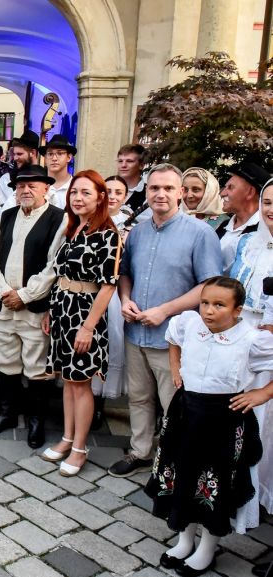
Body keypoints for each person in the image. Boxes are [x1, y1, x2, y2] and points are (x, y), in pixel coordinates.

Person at [145, 277, 273, 575]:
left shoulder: (251, 339)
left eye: (219, 305)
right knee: (183, 475)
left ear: (237, 310)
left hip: (222, 419)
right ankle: (184, 539)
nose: (209, 310)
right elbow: (173, 337)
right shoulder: (190, 324)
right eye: (205, 303)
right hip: (186, 413)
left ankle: (207, 547)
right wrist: (176, 367)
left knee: (212, 483)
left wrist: (263, 393)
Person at [108, 164, 223, 478]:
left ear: (181, 193)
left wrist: (165, 310)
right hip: (136, 332)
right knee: (139, 397)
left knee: (173, 403)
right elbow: (125, 273)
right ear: (146, 192)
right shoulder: (138, 232)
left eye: (168, 188)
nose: (161, 194)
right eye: (154, 188)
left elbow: (209, 285)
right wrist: (126, 299)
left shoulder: (200, 233)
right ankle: (141, 452)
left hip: (172, 338)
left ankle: (172, 462)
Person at [40, 171, 121, 476]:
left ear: (100, 197)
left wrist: (87, 327)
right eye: (74, 192)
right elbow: (60, 275)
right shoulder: (73, 229)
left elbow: (108, 285)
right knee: (68, 380)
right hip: (63, 309)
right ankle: (67, 437)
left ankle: (79, 448)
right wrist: (51, 311)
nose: (78, 198)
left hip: (85, 313)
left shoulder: (108, 234)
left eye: (86, 193)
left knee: (81, 383)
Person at [0, 165, 67, 448]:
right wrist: (5, 291)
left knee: (37, 367)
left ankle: (36, 422)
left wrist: (26, 295)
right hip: (3, 304)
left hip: (34, 307)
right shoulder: (6, 216)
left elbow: (54, 265)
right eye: (21, 186)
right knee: (5, 361)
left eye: (33, 185)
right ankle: (7, 414)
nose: (26, 190)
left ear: (46, 189)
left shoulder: (59, 219)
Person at [230, 177, 273, 523]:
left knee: (265, 423)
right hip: (242, 336)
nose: (272, 210)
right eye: (268, 202)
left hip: (270, 347)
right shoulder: (248, 242)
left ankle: (261, 493)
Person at [90, 175, 130, 429]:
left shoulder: (130, 224)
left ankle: (99, 403)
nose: (113, 196)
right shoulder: (90, 219)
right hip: (88, 289)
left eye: (119, 192)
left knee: (108, 343)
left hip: (112, 293)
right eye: (108, 191)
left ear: (125, 197)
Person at [219, 161, 268, 271]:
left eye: (230, 187)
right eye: (225, 187)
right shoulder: (223, 226)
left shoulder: (265, 229)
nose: (222, 193)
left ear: (250, 193)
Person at [0, 130, 39, 206]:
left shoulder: (46, 178)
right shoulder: (6, 179)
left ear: (33, 153)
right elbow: (1, 208)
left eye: (19, 154)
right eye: (14, 154)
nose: (15, 158)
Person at [181, 167, 227, 231]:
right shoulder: (173, 218)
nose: (189, 195)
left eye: (196, 189)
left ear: (209, 192)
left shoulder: (225, 224)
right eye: (185, 190)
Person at [38, 134, 76, 209]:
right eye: (50, 154)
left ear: (69, 157)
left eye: (60, 153)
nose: (54, 158)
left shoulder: (76, 186)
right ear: (45, 158)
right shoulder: (37, 187)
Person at [117, 144, 147, 215]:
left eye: (129, 161)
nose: (123, 165)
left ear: (141, 165)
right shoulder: (106, 187)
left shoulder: (148, 193)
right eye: (120, 161)